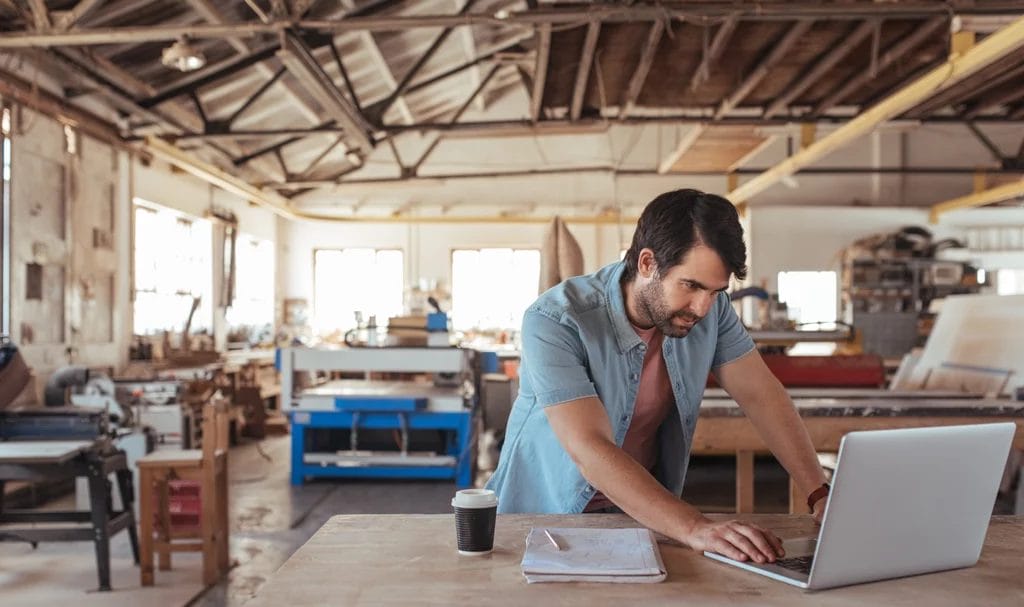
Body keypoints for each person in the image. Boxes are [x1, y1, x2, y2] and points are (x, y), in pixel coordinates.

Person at [485, 188, 829, 565]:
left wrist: (819, 493)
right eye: (691, 285)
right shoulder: (555, 320)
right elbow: (590, 448)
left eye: (716, 291)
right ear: (648, 263)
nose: (702, 307)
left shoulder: (712, 312)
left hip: (638, 517)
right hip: (542, 519)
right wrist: (695, 527)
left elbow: (763, 397)